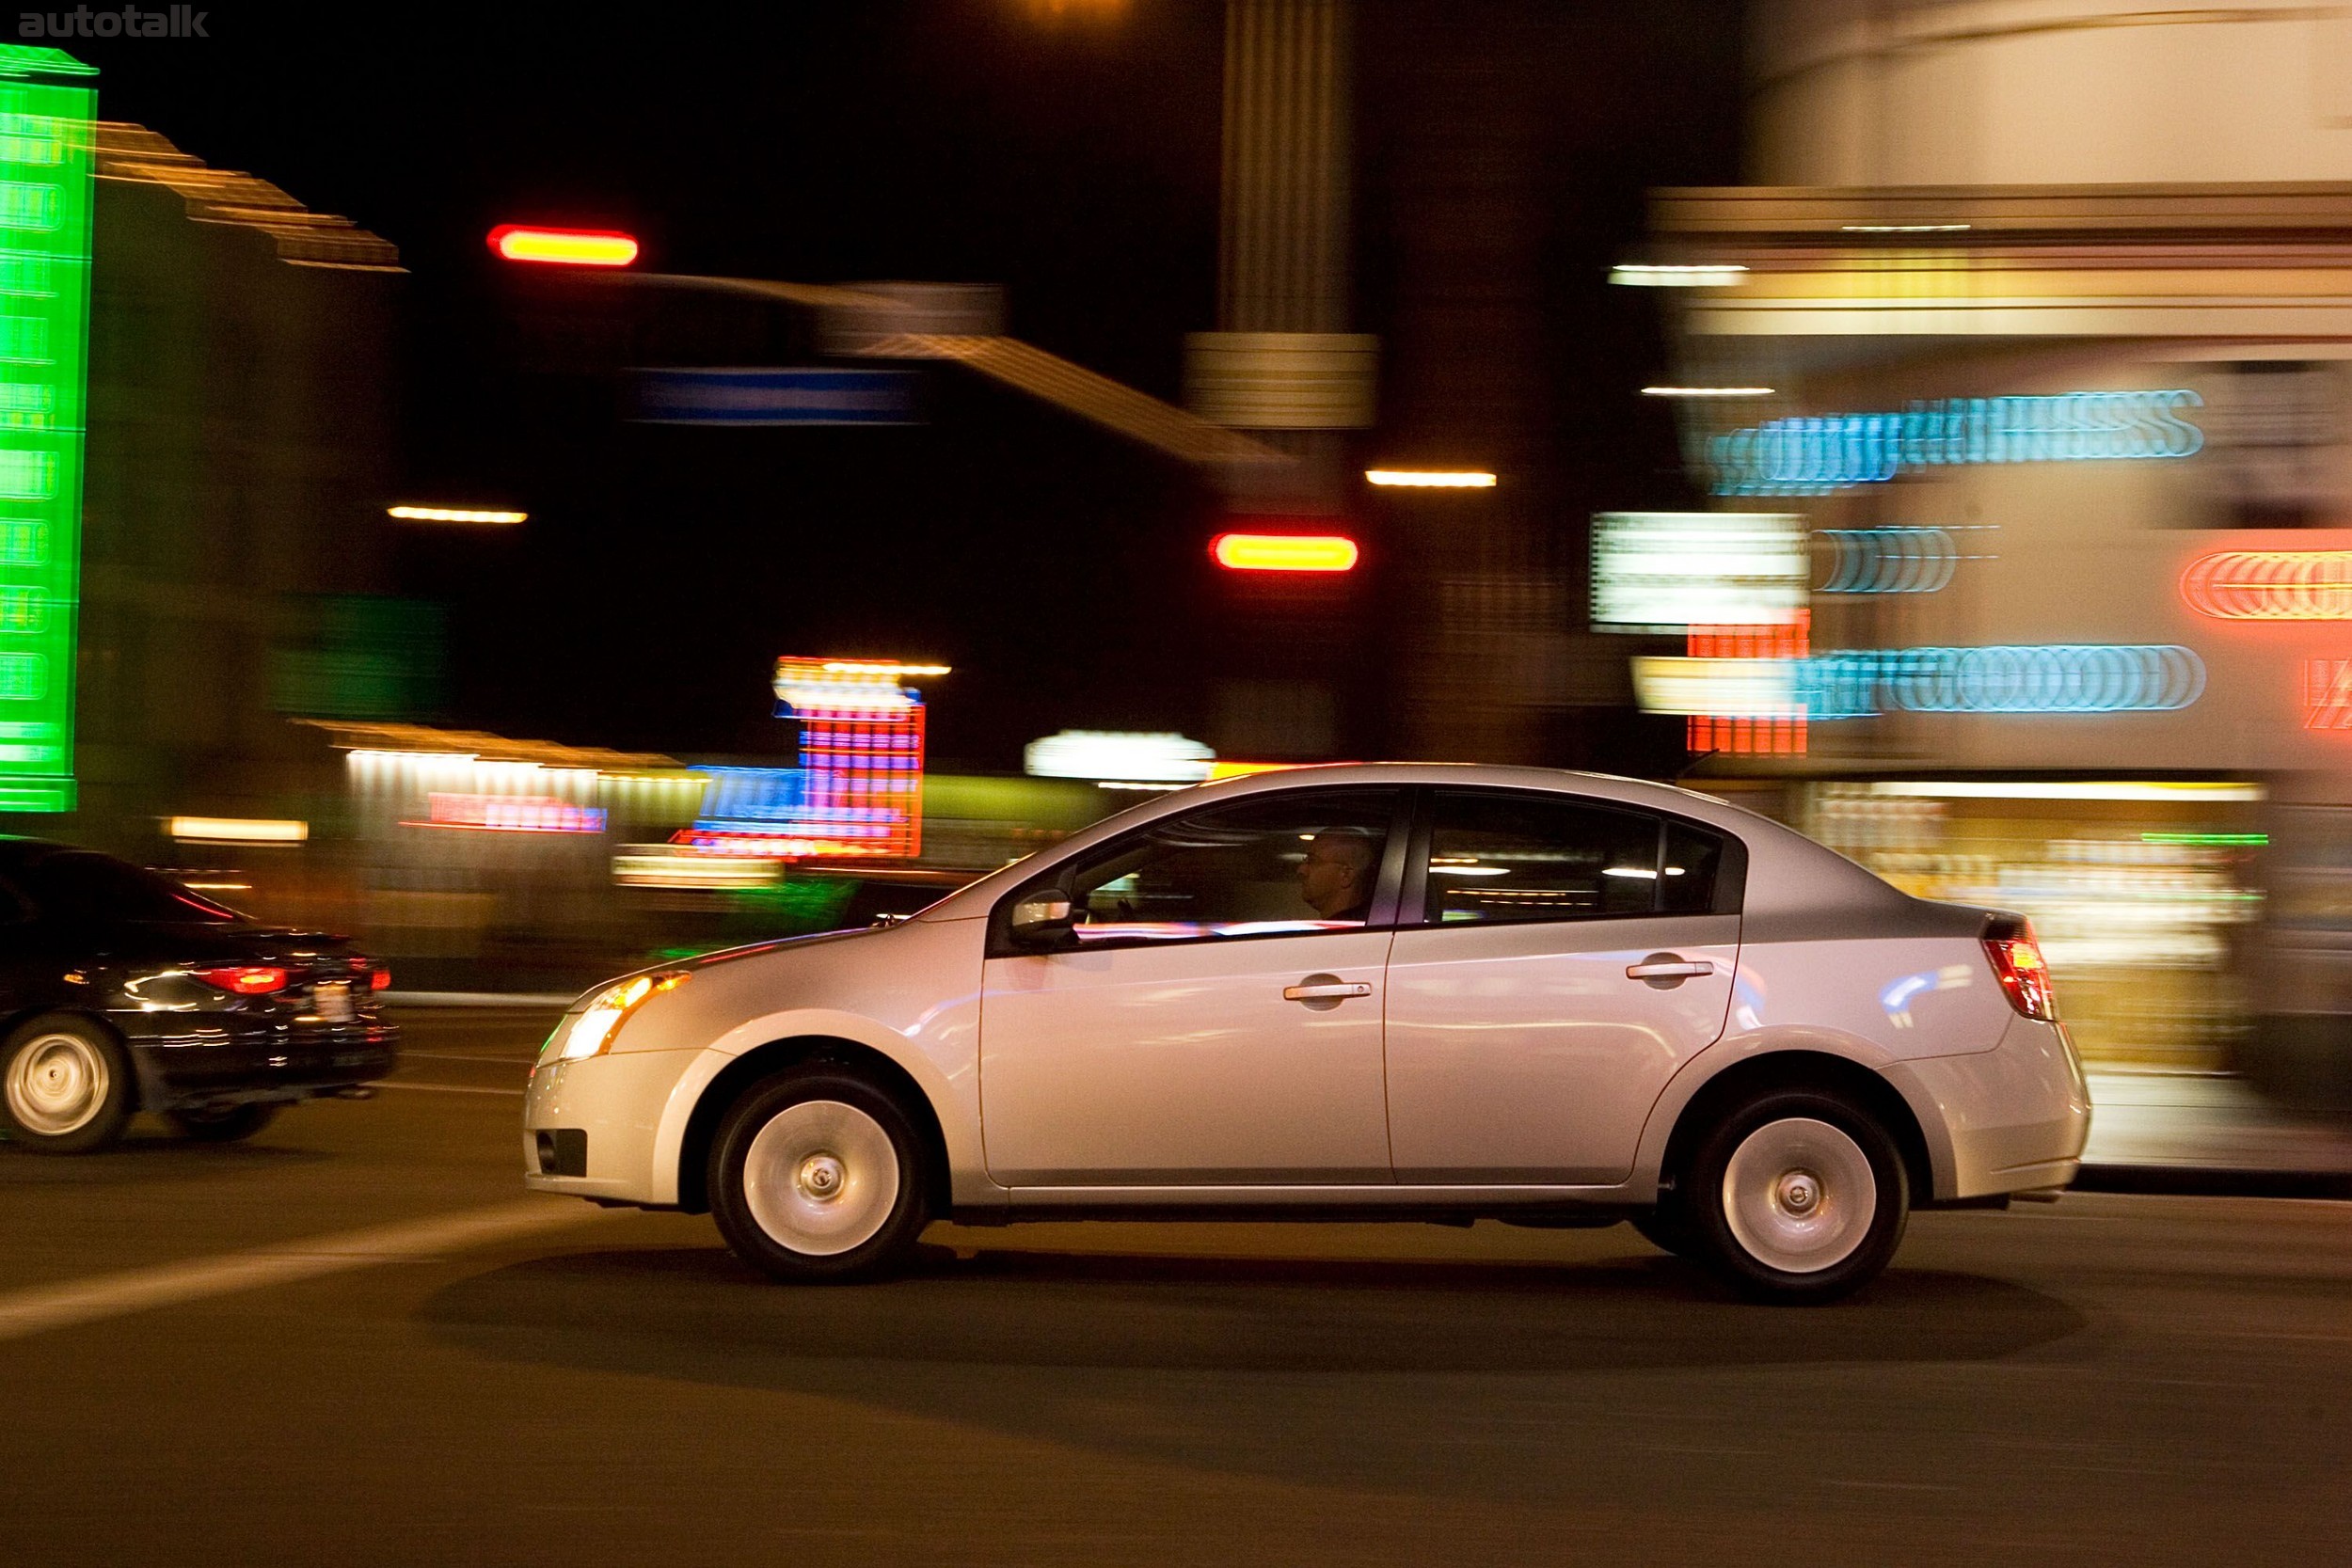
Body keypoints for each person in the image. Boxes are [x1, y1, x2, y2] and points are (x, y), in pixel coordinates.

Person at [1297, 828, 1379, 923]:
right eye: (1305, 860)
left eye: (1313, 861)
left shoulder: (1346, 934)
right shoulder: (1366, 928)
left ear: (1346, 875)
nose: (1301, 870)